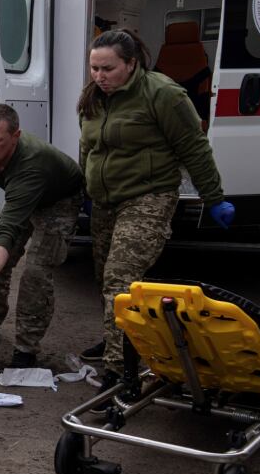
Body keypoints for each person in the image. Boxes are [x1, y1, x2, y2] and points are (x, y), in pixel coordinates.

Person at [76, 28, 234, 375]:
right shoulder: (93, 97)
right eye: (94, 68)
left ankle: (119, 372)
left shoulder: (163, 94)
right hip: (105, 202)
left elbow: (194, 147)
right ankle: (120, 336)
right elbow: (88, 147)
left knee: (120, 280)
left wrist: (214, 198)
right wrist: (84, 188)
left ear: (132, 64)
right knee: (107, 281)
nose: (99, 76)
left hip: (147, 197)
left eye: (108, 69)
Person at [0, 104, 84, 369]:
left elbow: (8, 230)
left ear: (16, 136)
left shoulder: (31, 165)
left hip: (57, 201)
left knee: (36, 271)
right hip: (23, 194)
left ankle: (27, 347)